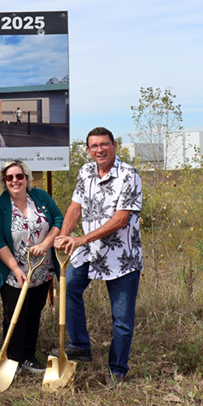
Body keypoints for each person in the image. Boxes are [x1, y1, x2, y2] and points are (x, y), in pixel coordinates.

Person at [54, 127, 143, 384]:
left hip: (122, 256)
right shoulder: (85, 171)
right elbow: (75, 206)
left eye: (104, 144)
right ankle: (80, 345)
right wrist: (65, 235)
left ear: (115, 145)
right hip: (90, 251)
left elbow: (120, 220)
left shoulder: (129, 175)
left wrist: (81, 238)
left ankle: (117, 371)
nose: (99, 150)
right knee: (69, 286)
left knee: (122, 319)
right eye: (94, 146)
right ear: (88, 150)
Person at [0, 160, 62, 375]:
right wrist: (16, 269)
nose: (15, 181)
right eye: (9, 178)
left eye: (19, 176)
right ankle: (13, 359)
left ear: (27, 179)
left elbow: (58, 219)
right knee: (14, 314)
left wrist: (46, 244)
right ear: (4, 182)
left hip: (41, 268)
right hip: (13, 271)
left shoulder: (41, 198)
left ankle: (28, 356)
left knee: (33, 313)